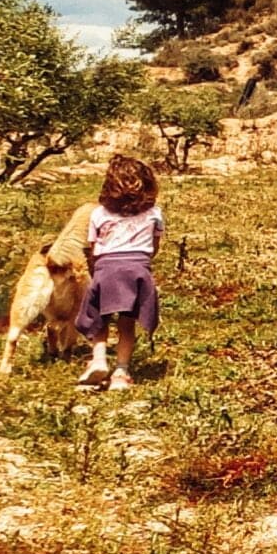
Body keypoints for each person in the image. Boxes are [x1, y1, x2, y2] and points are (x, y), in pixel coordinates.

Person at [76, 154, 163, 392]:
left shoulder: (98, 214)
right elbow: (154, 247)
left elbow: (93, 249)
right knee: (127, 323)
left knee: (99, 318)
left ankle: (99, 358)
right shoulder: (154, 213)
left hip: (106, 268)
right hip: (137, 271)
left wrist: (99, 269)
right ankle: (121, 372)